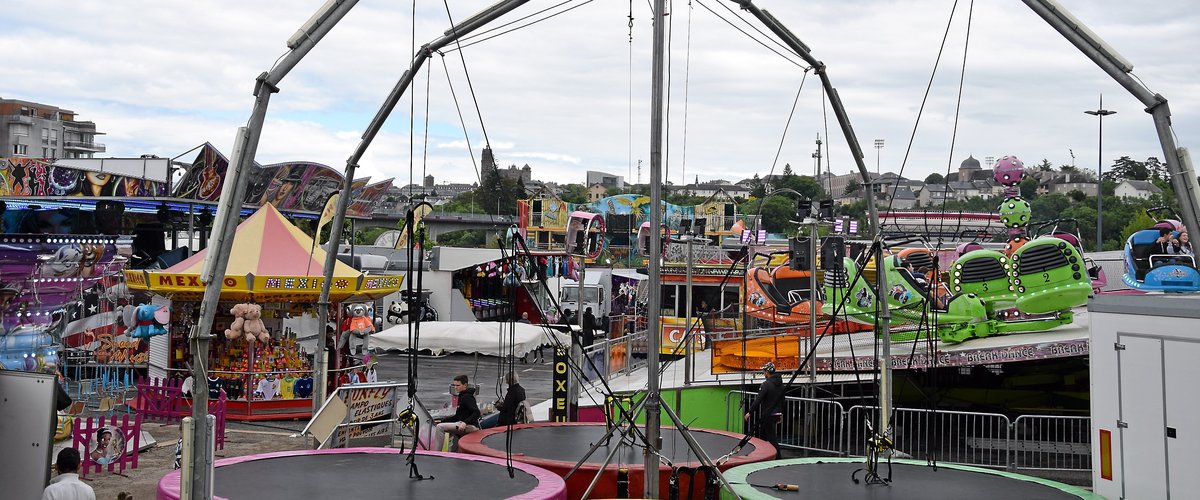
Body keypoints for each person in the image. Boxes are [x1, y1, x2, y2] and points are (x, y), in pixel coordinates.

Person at [743, 362, 784, 455]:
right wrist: (781, 413)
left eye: (764, 371)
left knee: (771, 437)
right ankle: (762, 454)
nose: (763, 373)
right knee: (763, 435)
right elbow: (783, 400)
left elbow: (758, 400)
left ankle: (778, 456)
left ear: (767, 372)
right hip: (776, 413)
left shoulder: (766, 384)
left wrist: (750, 412)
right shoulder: (780, 384)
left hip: (768, 414)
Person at [434, 375, 479, 451]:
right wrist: (442, 421)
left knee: (440, 427)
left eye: (458, 385)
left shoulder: (467, 397)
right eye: (454, 385)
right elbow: (457, 416)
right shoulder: (462, 396)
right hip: (461, 423)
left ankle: (436, 452)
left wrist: (465, 423)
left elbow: (476, 412)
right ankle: (453, 451)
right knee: (444, 426)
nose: (455, 387)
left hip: (470, 426)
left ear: (465, 385)